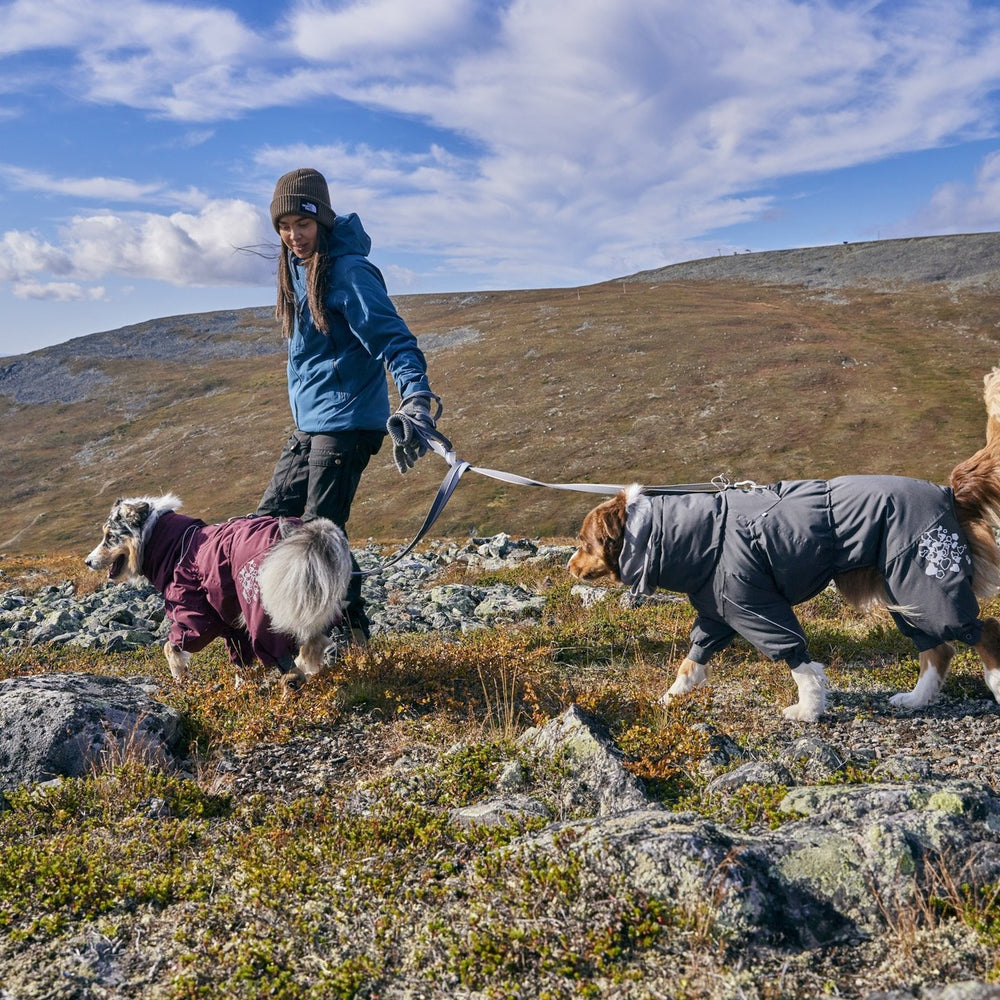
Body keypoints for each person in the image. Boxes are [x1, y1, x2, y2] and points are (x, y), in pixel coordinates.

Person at [256, 167, 445, 649]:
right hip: (311, 424)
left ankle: (339, 638)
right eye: (284, 225)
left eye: (303, 222)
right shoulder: (297, 271)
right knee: (267, 523)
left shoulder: (348, 271)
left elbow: (395, 341)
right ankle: (345, 627)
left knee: (320, 533)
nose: (294, 235)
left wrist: (417, 398)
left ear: (323, 220)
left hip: (346, 425)